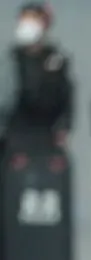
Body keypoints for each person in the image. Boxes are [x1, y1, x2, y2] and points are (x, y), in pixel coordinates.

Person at [5, 3, 72, 151]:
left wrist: (64, 127)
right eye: (23, 20)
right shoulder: (12, 59)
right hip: (14, 135)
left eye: (31, 19)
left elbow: (66, 96)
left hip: (47, 136)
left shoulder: (56, 60)